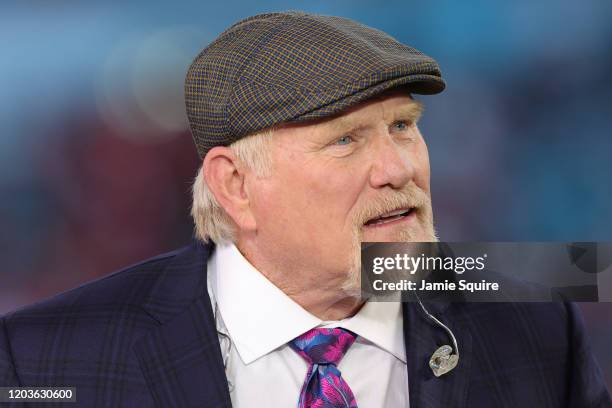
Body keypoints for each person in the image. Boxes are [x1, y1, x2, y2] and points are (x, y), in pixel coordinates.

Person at [1, 11, 610, 408]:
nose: (398, 168)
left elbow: (573, 271)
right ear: (234, 185)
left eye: (403, 126)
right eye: (344, 140)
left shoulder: (536, 323)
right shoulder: (41, 359)